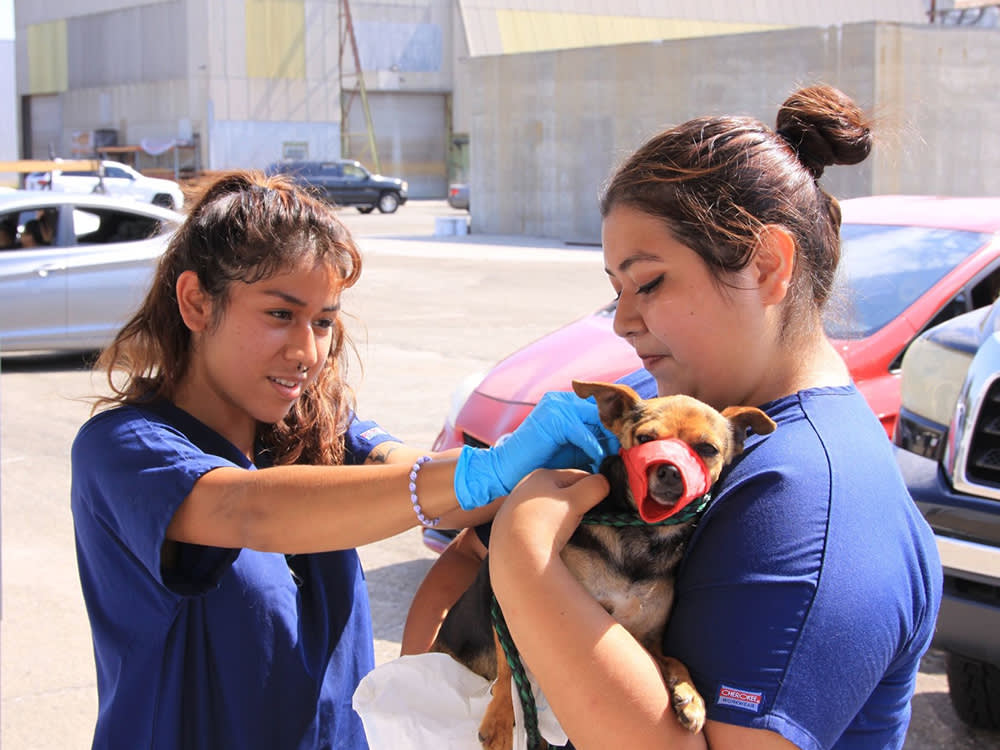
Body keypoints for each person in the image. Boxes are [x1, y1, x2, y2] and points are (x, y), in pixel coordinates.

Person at [405, 85, 943, 750]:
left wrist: (524, 556)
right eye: (615, 290)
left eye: (649, 282)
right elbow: (447, 594)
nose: (623, 321)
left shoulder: (804, 501)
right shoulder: (682, 417)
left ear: (768, 266)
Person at [69, 169, 619, 750]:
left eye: (324, 322)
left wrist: (532, 469)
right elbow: (245, 509)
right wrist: (480, 472)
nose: (307, 352)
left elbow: (424, 485)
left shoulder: (317, 430)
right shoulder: (125, 448)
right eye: (280, 315)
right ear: (196, 303)